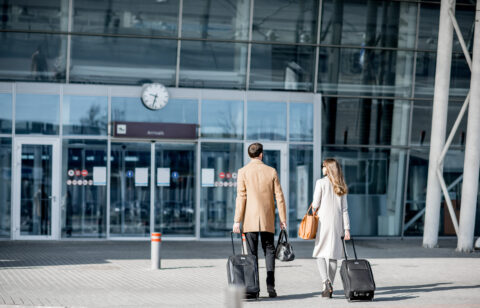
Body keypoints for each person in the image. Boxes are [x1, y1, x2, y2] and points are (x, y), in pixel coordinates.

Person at [232, 142, 287, 298]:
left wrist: (237, 220)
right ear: (261, 154)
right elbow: (279, 196)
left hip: (249, 219)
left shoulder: (243, 172)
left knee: (252, 254)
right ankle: (271, 287)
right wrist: (283, 218)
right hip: (267, 218)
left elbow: (241, 197)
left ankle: (253, 288)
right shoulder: (271, 171)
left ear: (250, 155)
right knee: (269, 251)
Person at [312, 158, 351, 298]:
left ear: (328, 168)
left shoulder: (321, 183)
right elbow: (345, 209)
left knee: (320, 253)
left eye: (323, 166)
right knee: (334, 255)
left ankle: (325, 281)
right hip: (337, 224)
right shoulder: (341, 185)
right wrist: (347, 229)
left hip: (323, 223)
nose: (322, 168)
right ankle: (330, 286)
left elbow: (315, 204)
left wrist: (314, 207)